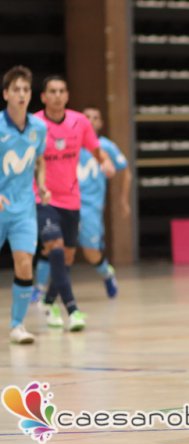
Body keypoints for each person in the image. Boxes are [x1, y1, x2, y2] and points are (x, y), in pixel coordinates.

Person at [34, 75, 115, 332]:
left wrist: (105, 162)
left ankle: (49, 302)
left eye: (61, 91)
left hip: (71, 199)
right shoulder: (35, 124)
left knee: (67, 257)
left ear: (67, 96)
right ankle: (72, 309)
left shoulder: (80, 122)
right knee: (55, 248)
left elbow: (94, 148)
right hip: (44, 197)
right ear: (43, 97)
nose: (57, 95)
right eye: (52, 91)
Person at [33, 107, 130, 300]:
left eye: (95, 117)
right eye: (87, 117)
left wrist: (123, 200)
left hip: (90, 208)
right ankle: (40, 289)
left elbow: (125, 171)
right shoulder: (69, 141)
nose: (91, 121)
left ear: (101, 123)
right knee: (51, 244)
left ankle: (107, 274)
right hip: (61, 202)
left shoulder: (105, 147)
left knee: (91, 251)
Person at [0, 66, 49, 344]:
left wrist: (41, 185)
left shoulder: (38, 128)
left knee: (24, 264)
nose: (21, 94)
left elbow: (39, 161)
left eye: (26, 90)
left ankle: (17, 325)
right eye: (16, 89)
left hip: (24, 209)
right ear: (5, 94)